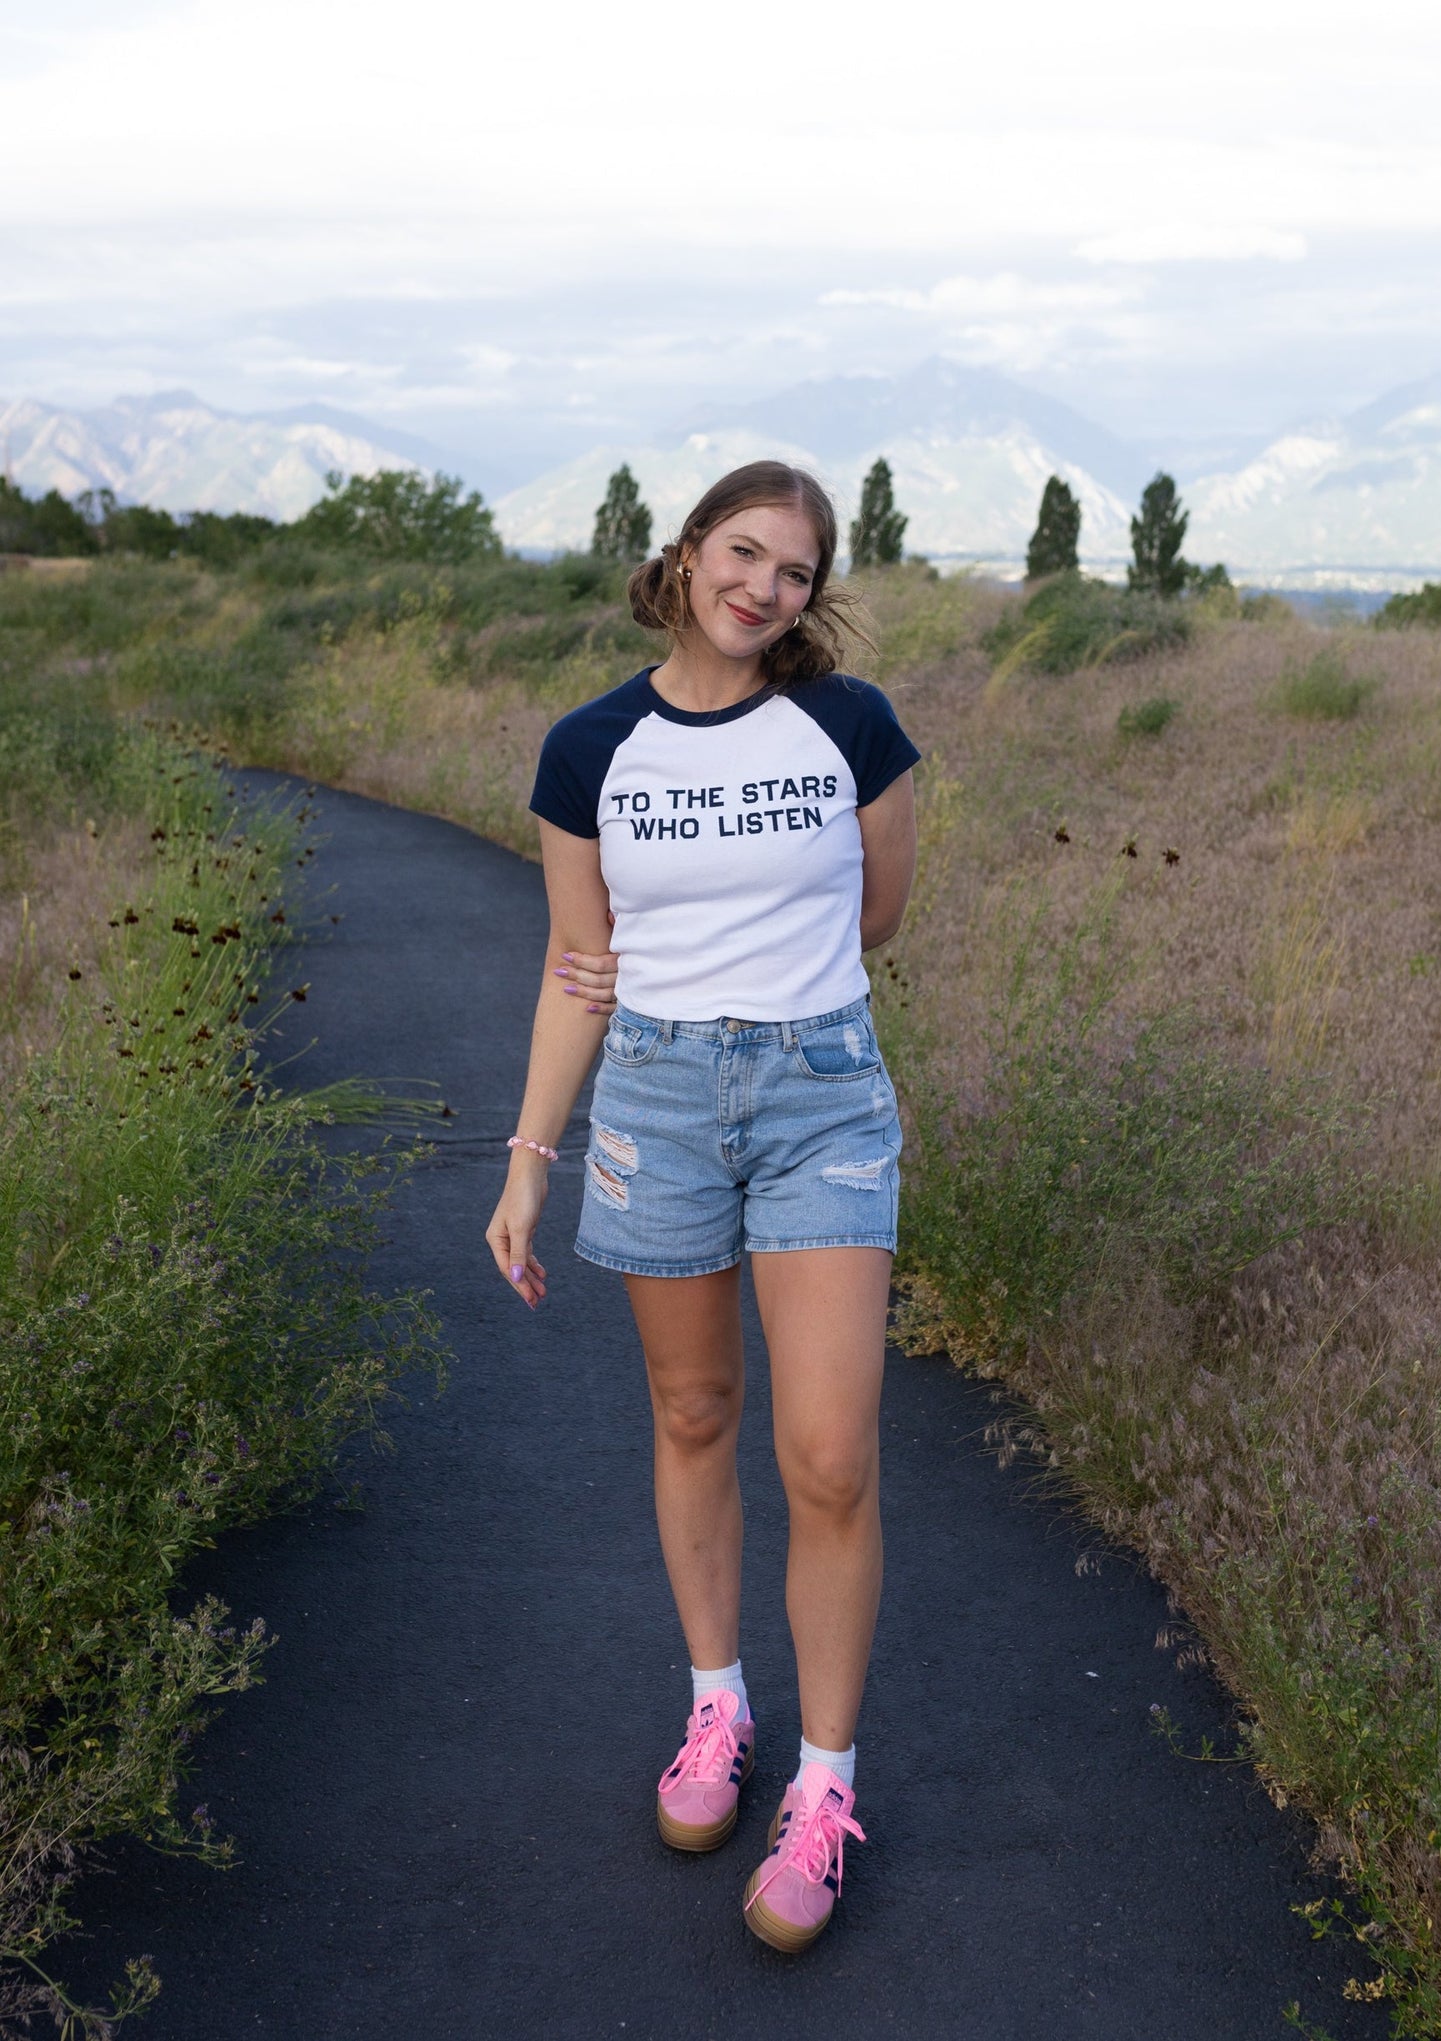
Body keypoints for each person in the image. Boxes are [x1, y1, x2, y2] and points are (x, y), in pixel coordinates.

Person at [485, 460, 919, 1952]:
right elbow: (578, 966)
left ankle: (823, 1787)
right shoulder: (588, 746)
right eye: (744, 553)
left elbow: (875, 910)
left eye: (796, 572)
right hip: (657, 1101)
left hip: (820, 1095)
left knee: (828, 1453)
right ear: (685, 555)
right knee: (689, 1415)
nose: (765, 588)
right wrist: (529, 1155)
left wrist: (776, 994)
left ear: (814, 593)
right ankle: (717, 1710)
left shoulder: (849, 727)